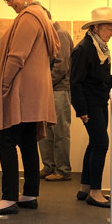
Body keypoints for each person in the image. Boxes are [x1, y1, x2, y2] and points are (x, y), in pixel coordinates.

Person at [0, 0, 61, 215]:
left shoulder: (29, 17)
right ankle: (29, 194)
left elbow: (16, 57)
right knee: (27, 142)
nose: (9, 3)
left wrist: (4, 86)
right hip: (33, 94)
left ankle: (8, 198)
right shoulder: (42, 18)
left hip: (21, 93)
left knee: (4, 140)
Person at [69, 6, 112, 207]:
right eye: (108, 29)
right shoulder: (84, 49)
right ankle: (95, 192)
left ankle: (85, 187)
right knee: (101, 144)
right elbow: (76, 82)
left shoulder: (99, 48)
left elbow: (100, 77)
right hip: (90, 105)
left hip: (98, 102)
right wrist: (82, 110)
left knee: (95, 143)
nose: (111, 33)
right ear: (96, 28)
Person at [39, 21, 74, 181]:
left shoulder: (61, 34)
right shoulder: (48, 35)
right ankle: (49, 166)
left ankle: (63, 170)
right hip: (47, 90)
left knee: (60, 132)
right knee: (44, 131)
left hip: (58, 90)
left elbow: (62, 65)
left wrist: (45, 83)